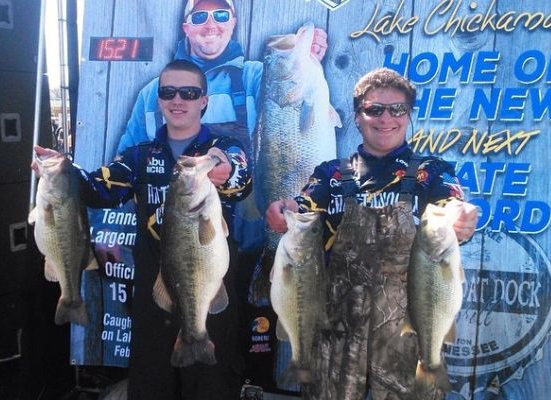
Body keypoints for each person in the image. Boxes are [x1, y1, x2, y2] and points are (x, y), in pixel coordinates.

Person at [33, 60, 252, 400]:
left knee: (210, 385)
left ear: (203, 101)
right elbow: (98, 189)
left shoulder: (224, 147)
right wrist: (60, 173)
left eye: (189, 93)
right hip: (155, 282)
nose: (178, 100)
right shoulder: (138, 156)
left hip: (208, 280)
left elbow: (239, 178)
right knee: (152, 380)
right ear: (159, 99)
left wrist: (225, 168)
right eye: (168, 92)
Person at [265, 67, 478, 400]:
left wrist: (460, 216)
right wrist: (283, 211)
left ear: (409, 115)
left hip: (405, 335)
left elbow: (452, 204)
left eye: (397, 109)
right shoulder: (332, 174)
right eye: (374, 109)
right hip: (337, 334)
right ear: (357, 116)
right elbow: (301, 208)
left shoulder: (431, 172)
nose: (385, 118)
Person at [116, 0, 328, 252]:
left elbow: (293, 97)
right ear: (186, 27)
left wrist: (309, 54)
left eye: (220, 15)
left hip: (252, 235)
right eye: (199, 17)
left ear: (233, 23)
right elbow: (124, 168)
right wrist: (111, 226)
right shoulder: (152, 93)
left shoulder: (258, 77)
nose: (210, 24)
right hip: (178, 234)